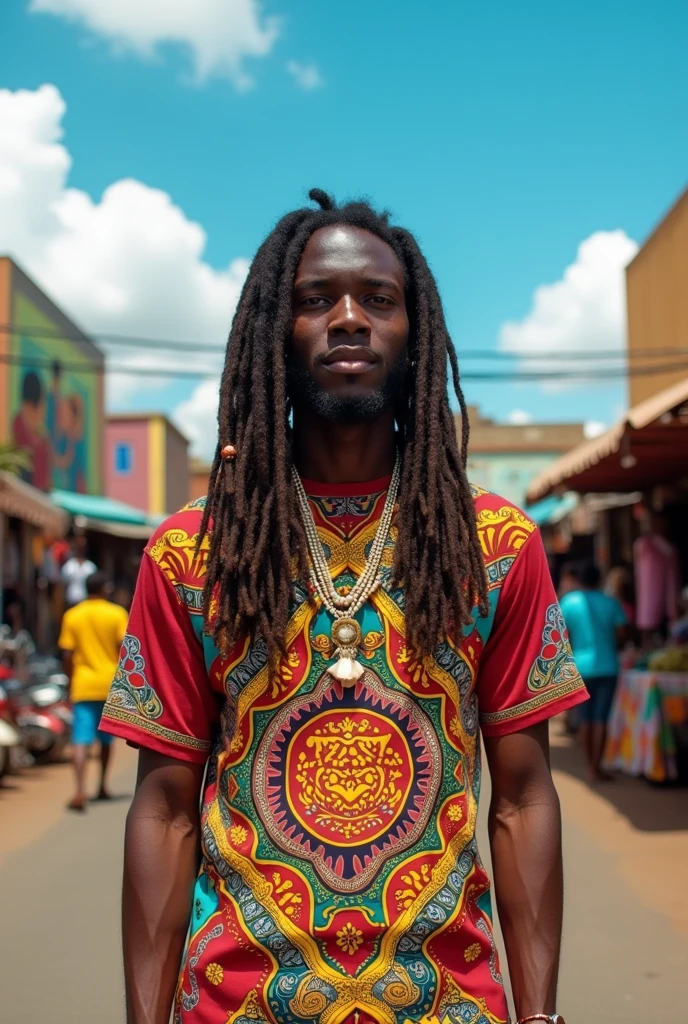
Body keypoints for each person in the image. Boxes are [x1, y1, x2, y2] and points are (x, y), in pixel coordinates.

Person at [101, 190, 587, 1024]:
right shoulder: (193, 552)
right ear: (271, 334)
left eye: (379, 300)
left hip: (446, 1004)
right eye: (316, 299)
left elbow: (524, 796)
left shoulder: (496, 545)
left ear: (415, 332)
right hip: (237, 1005)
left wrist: (540, 1016)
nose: (350, 318)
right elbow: (165, 807)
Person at [58, 570, 128, 811]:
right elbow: (124, 648)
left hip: (83, 684)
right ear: (104, 589)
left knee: (80, 740)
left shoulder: (72, 615)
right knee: (106, 740)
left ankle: (79, 789)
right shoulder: (117, 613)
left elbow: (67, 653)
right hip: (110, 684)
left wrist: (71, 678)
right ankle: (101, 786)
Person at [559, 562, 628, 782]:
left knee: (585, 718)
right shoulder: (611, 603)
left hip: (580, 666)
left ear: (579, 579)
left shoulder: (569, 602)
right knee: (601, 719)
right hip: (608, 666)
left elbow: (561, 635)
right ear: (599, 579)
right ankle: (596, 766)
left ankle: (590, 765)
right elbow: (621, 633)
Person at [61, 536, 97, 609]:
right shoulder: (68, 566)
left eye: (83, 547)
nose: (80, 549)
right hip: (70, 603)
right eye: (78, 546)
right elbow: (61, 587)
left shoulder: (91, 567)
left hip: (86, 604)